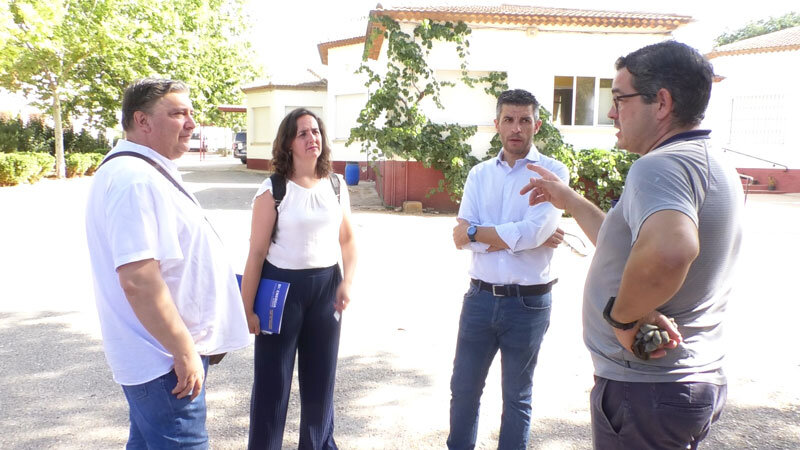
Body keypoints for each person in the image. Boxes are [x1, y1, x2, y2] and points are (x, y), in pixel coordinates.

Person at [521, 41, 743, 449]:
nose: (610, 112)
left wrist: (623, 318)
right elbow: (629, 248)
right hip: (686, 383)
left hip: (647, 390)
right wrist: (568, 199)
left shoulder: (659, 166)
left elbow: (670, 250)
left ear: (661, 103)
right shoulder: (709, 160)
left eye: (619, 99)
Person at [84, 78, 250, 449]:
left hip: (161, 359)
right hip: (163, 363)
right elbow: (139, 280)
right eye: (178, 114)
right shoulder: (134, 180)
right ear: (142, 121)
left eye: (191, 113)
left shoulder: (143, 170)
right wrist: (183, 350)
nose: (191, 123)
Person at [448, 89, 568, 449]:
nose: (517, 128)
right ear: (497, 124)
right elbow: (460, 236)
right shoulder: (479, 174)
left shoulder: (554, 173)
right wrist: (521, 236)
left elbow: (533, 231)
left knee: (517, 397)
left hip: (528, 304)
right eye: (509, 120)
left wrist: (481, 232)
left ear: (537, 124)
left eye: (525, 120)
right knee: (464, 391)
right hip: (480, 298)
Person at [242, 108, 357, 449]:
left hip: (325, 289)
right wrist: (246, 308)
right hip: (280, 291)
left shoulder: (336, 185)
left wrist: (346, 282)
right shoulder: (273, 190)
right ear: (288, 143)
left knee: (321, 384)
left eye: (315, 131)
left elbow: (348, 241)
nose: (312, 139)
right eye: (303, 133)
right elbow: (256, 253)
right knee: (272, 385)